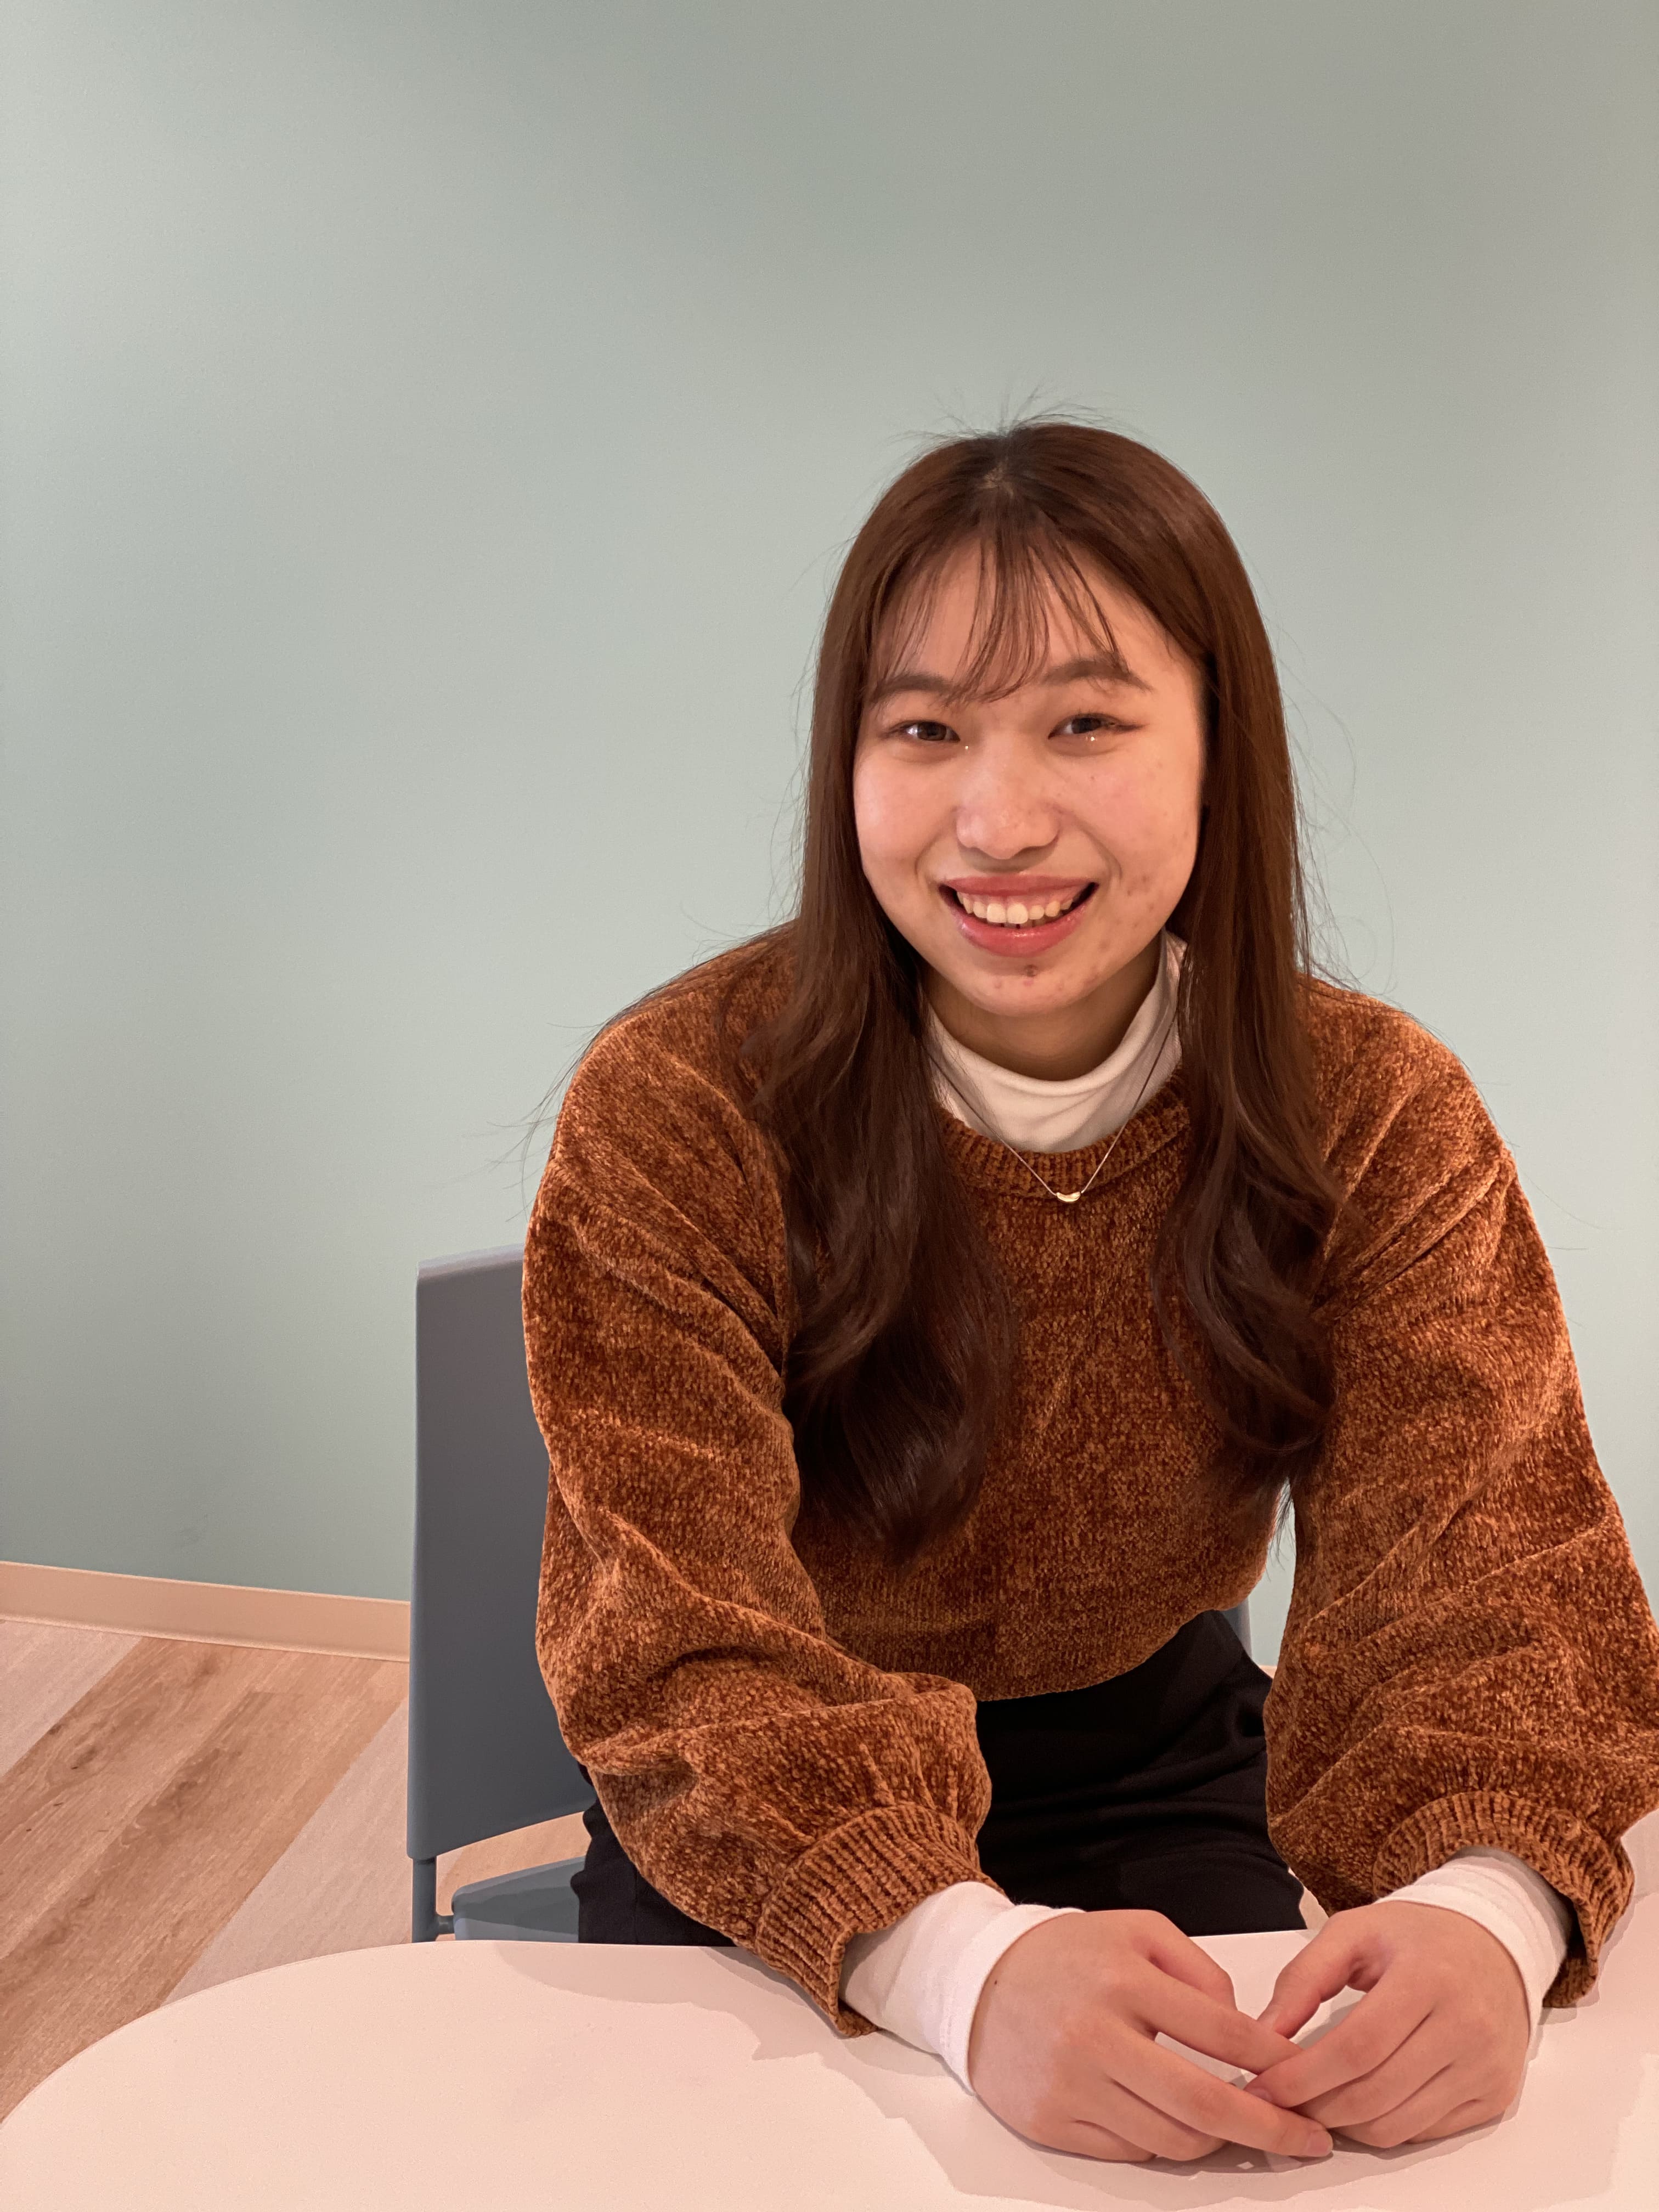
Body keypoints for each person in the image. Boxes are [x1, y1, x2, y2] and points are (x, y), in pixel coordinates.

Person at [522, 420, 1659, 2164]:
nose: (999, 821)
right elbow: (677, 1643)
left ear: (1218, 748)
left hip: (1158, 1763)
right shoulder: (682, 1105)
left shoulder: (1374, 1112)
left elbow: (1497, 1570)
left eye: (1085, 724)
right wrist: (958, 1963)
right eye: (923, 731)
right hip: (762, 1798)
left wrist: (1488, 1910)